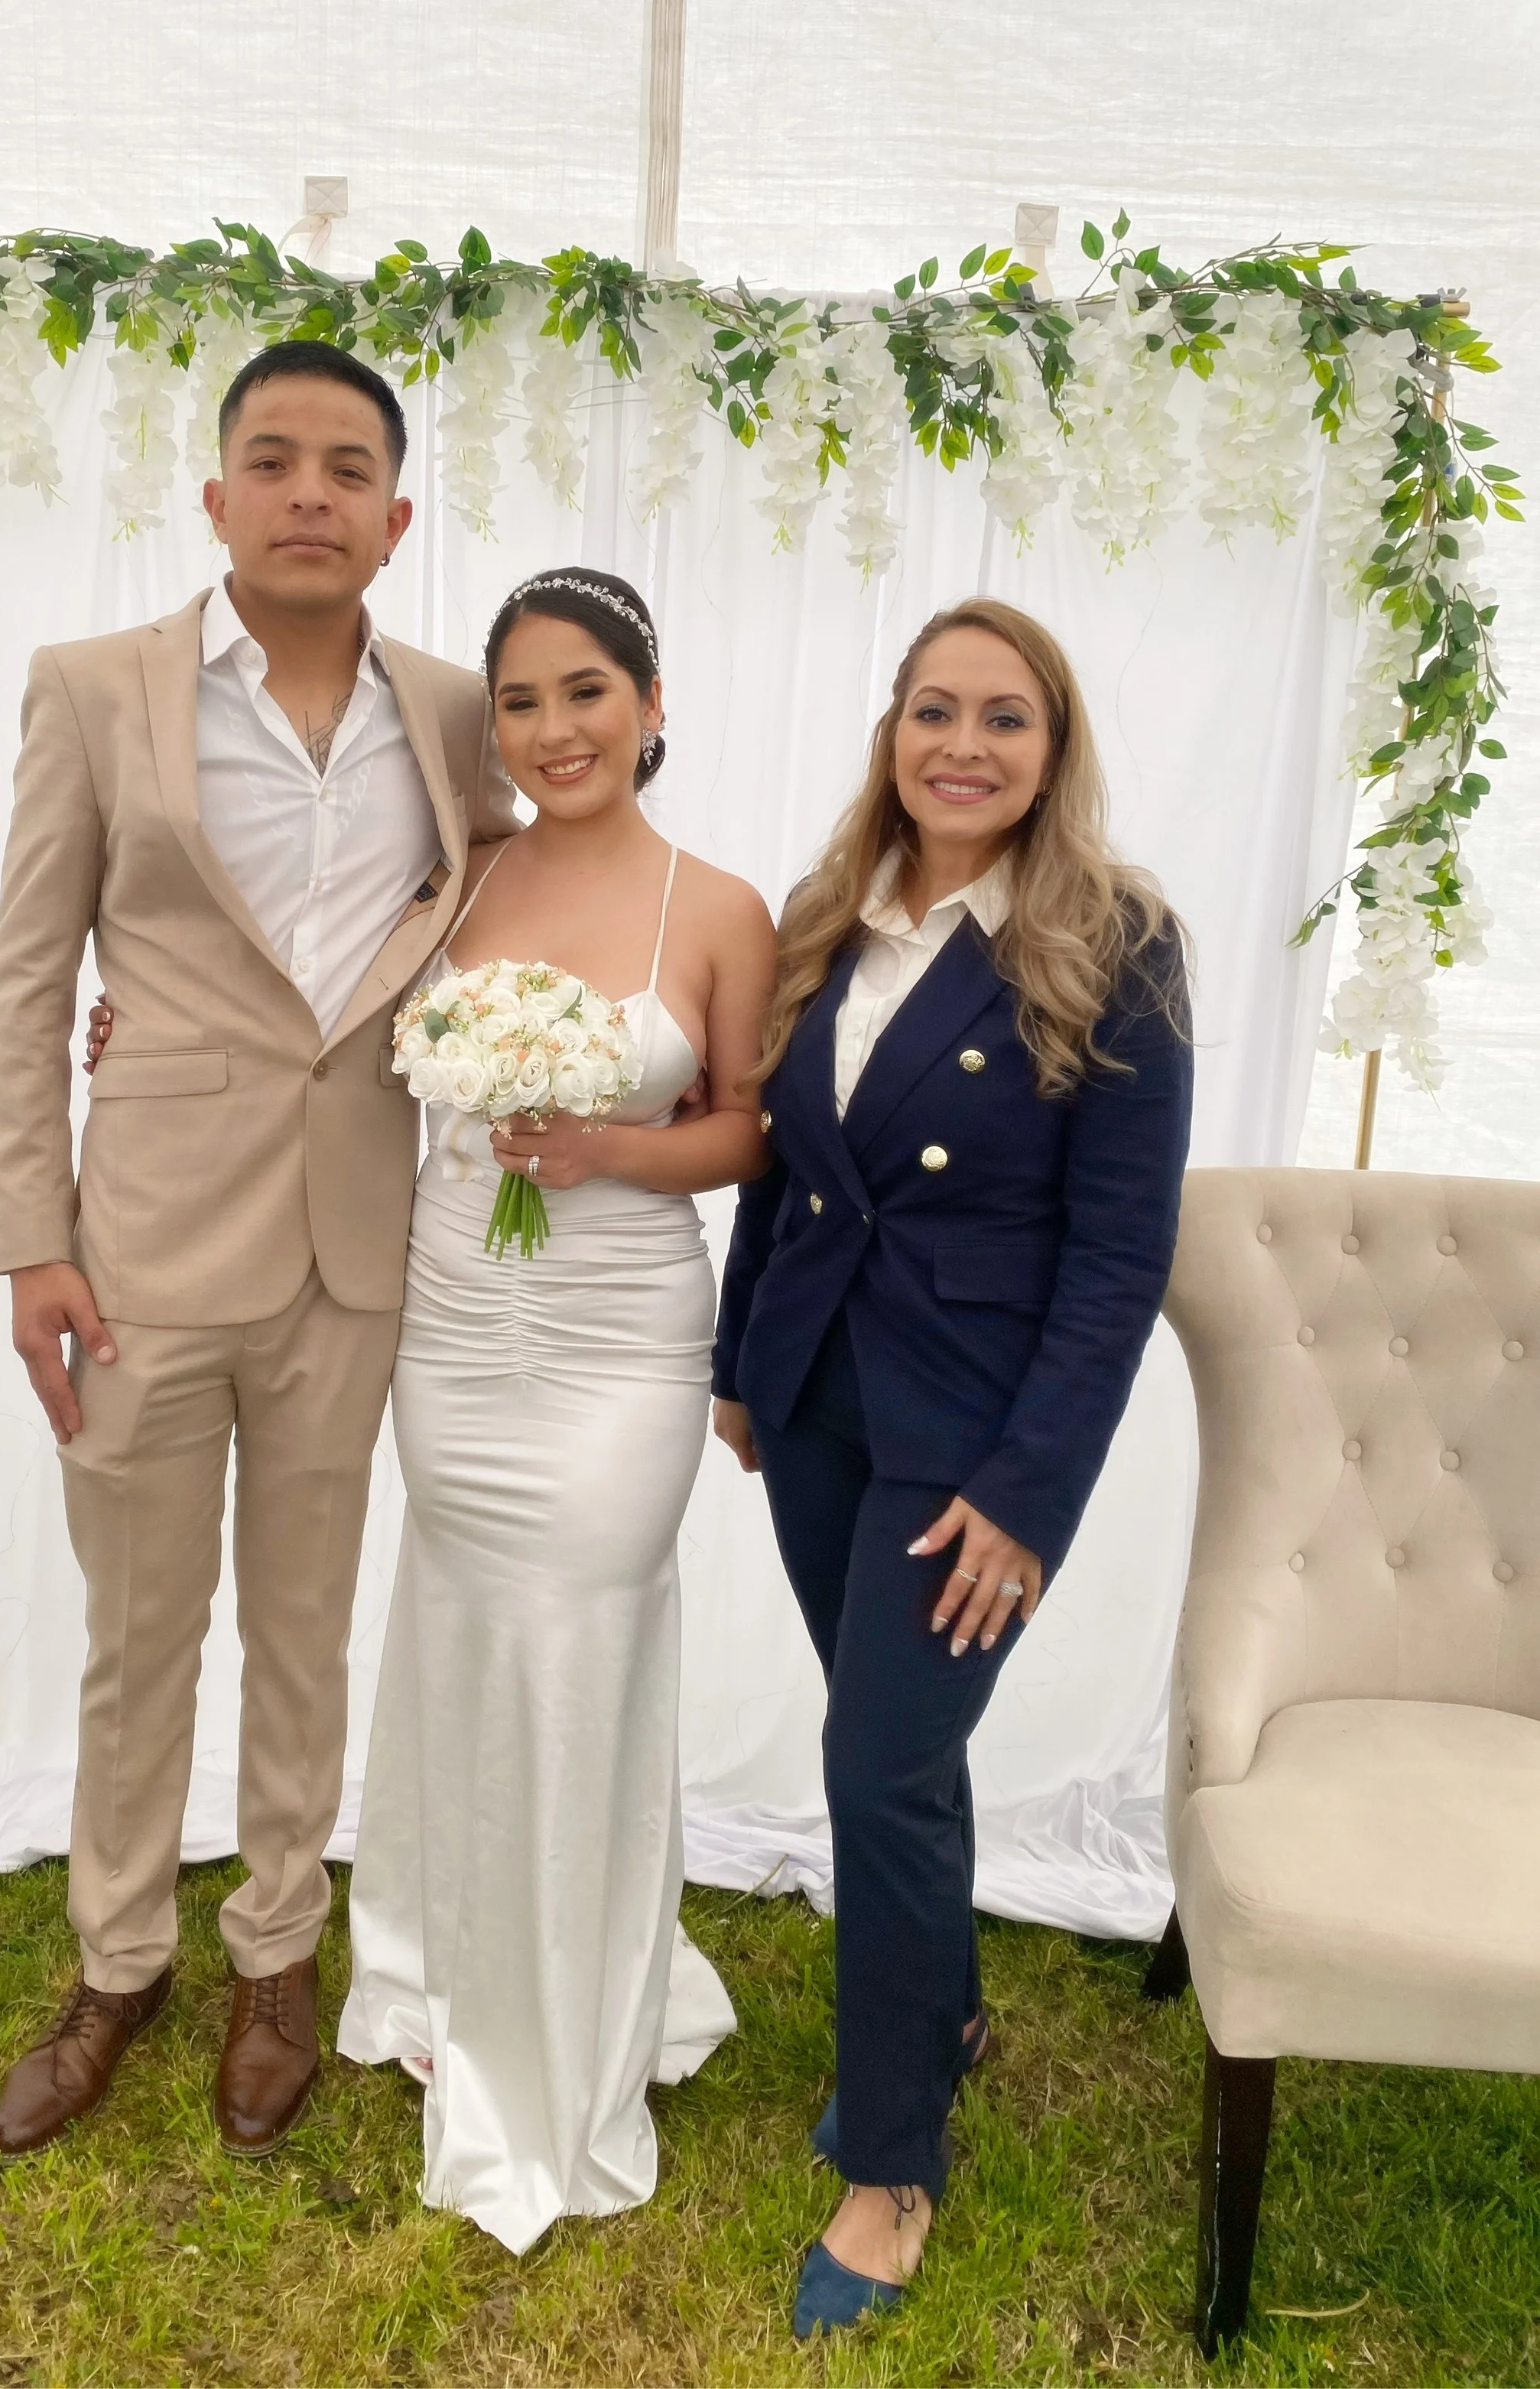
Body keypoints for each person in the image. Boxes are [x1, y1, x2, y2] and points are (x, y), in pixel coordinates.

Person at [0, 340, 518, 2160]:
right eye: (272, 460)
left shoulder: (457, 715)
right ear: (213, 498)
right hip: (133, 1246)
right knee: (139, 1633)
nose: (308, 491)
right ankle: (116, 1957)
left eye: (345, 467)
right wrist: (28, 1234)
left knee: (303, 1627)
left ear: (393, 517)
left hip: (357, 1248)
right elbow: (30, 976)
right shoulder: (93, 689)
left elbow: (522, 903)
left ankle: (276, 1945)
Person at [711, 596, 1194, 2337]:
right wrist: (739, 1356)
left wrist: (1029, 1491)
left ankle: (892, 2158)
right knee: (897, 1749)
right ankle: (951, 2009)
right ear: (889, 732)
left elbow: (1116, 1257)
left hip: (970, 1443)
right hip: (816, 1405)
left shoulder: (1117, 938)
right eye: (934, 710)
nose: (963, 746)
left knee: (873, 1763)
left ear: (1050, 749)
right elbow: (785, 1158)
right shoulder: (831, 912)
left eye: (1004, 717)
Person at [334, 569, 778, 2251]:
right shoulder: (453, 880)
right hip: (453, 1315)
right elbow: (321, 1024)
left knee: (577, 1637)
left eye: (584, 691)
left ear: (650, 704)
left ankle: (561, 2028)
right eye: (518, 700)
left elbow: (746, 1128)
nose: (550, 728)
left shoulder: (715, 905)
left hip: (616, 1337)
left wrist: (604, 1145)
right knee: (459, 1627)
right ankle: (445, 1967)